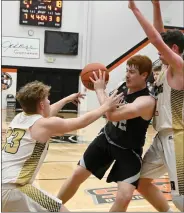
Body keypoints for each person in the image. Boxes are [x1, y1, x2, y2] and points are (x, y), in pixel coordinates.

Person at [2, 80, 122, 212]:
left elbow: (47, 111)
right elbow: (80, 122)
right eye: (47, 99)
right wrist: (105, 106)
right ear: (41, 104)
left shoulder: (19, 118)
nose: (49, 102)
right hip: (15, 188)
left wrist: (67, 99)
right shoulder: (44, 125)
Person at [57, 55, 156, 212]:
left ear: (144, 75)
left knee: (124, 196)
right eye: (126, 70)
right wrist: (103, 93)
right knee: (77, 175)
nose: (127, 75)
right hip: (107, 139)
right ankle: (50, 209)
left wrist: (100, 89)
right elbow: (108, 111)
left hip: (129, 149)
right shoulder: (122, 86)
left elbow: (111, 115)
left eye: (131, 72)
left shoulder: (146, 101)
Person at [128, 0, 184, 211]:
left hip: (178, 138)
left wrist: (135, 10)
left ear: (175, 49)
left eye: (161, 49)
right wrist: (156, 5)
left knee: (181, 199)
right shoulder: (165, 64)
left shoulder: (179, 66)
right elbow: (160, 34)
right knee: (140, 181)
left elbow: (155, 37)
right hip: (161, 137)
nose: (157, 52)